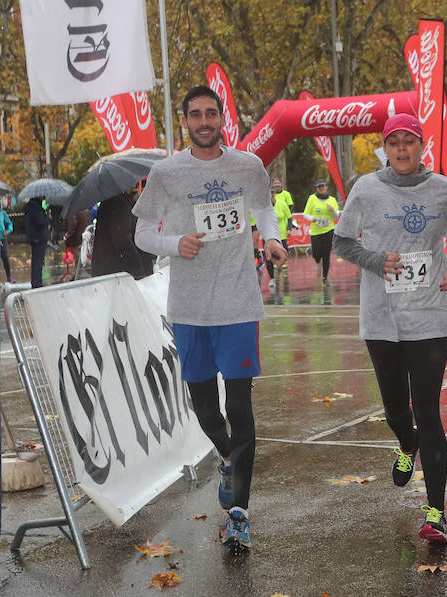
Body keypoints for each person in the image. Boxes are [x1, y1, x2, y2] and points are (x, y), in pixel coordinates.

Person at [132, 85, 288, 550]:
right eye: (195, 114)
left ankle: (239, 512)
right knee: (206, 409)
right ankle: (226, 457)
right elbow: (142, 233)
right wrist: (172, 244)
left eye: (211, 113)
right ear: (186, 122)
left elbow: (262, 207)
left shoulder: (247, 166)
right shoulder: (166, 172)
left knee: (240, 408)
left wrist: (272, 239)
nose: (204, 121)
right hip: (190, 308)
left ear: (222, 119)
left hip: (239, 302)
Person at [333, 113, 447, 543]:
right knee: (397, 407)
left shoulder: (445, 190)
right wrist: (376, 261)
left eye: (408, 141)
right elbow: (341, 241)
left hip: (430, 313)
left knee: (429, 410)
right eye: (393, 142)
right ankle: (405, 441)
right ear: (384, 147)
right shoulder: (366, 189)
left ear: (420, 145)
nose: (401, 149)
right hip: (382, 317)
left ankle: (436, 512)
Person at [91, 188, 154, 279]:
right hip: (116, 273)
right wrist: (137, 264)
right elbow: (122, 240)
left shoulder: (117, 201)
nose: (135, 184)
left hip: (108, 270)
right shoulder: (118, 203)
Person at [303, 179, 339, 285]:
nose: (321, 188)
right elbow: (305, 214)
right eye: (319, 187)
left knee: (326, 255)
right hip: (315, 232)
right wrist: (312, 218)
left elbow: (336, 216)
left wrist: (332, 210)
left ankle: (325, 278)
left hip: (328, 230)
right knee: (316, 255)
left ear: (326, 187)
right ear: (316, 188)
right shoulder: (312, 198)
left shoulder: (332, 200)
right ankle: (318, 260)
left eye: (323, 186)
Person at [266, 188, 293, 288]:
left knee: (282, 256)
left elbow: (289, 217)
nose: (271, 194)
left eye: (272, 192)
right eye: (269, 192)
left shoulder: (281, 204)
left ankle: (279, 268)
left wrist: (289, 229)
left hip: (281, 236)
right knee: (269, 258)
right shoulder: (263, 206)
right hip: (269, 236)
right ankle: (272, 279)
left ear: (274, 193)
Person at [24, 197, 50, 288]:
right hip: (38, 238)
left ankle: (36, 281)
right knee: (38, 261)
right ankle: (37, 282)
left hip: (35, 237)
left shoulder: (32, 207)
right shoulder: (36, 208)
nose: (44, 197)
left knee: (36, 260)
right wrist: (47, 218)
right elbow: (41, 222)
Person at [0, 198, 16, 283]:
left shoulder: (2, 213)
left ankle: (9, 277)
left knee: (5, 257)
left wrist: (9, 230)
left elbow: (10, 223)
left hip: (2, 238)